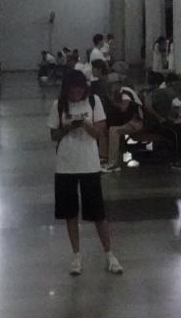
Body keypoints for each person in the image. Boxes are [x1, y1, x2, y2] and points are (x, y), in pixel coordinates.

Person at [47, 70, 123, 275]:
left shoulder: (93, 101)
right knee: (70, 212)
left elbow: (99, 132)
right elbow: (54, 135)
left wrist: (85, 124)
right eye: (72, 91)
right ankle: (76, 255)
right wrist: (68, 128)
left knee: (98, 212)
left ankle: (109, 254)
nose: (76, 95)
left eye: (79, 90)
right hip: (65, 165)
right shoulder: (58, 105)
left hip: (89, 164)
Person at [102, 82, 145, 173]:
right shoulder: (126, 92)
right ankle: (111, 159)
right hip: (132, 121)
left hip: (135, 123)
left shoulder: (125, 94)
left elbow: (123, 108)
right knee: (112, 129)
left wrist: (112, 101)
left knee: (114, 131)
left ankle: (113, 163)